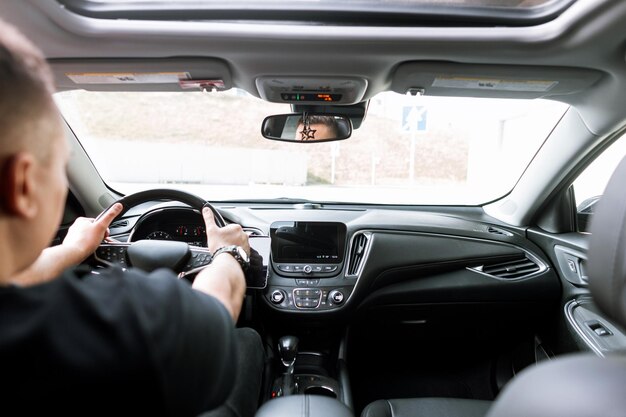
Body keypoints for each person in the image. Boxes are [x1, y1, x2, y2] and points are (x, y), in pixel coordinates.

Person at [0, 19, 264, 417]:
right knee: (245, 343)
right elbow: (220, 301)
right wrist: (229, 255)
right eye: (59, 165)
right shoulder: (119, 325)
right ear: (22, 184)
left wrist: (71, 251)